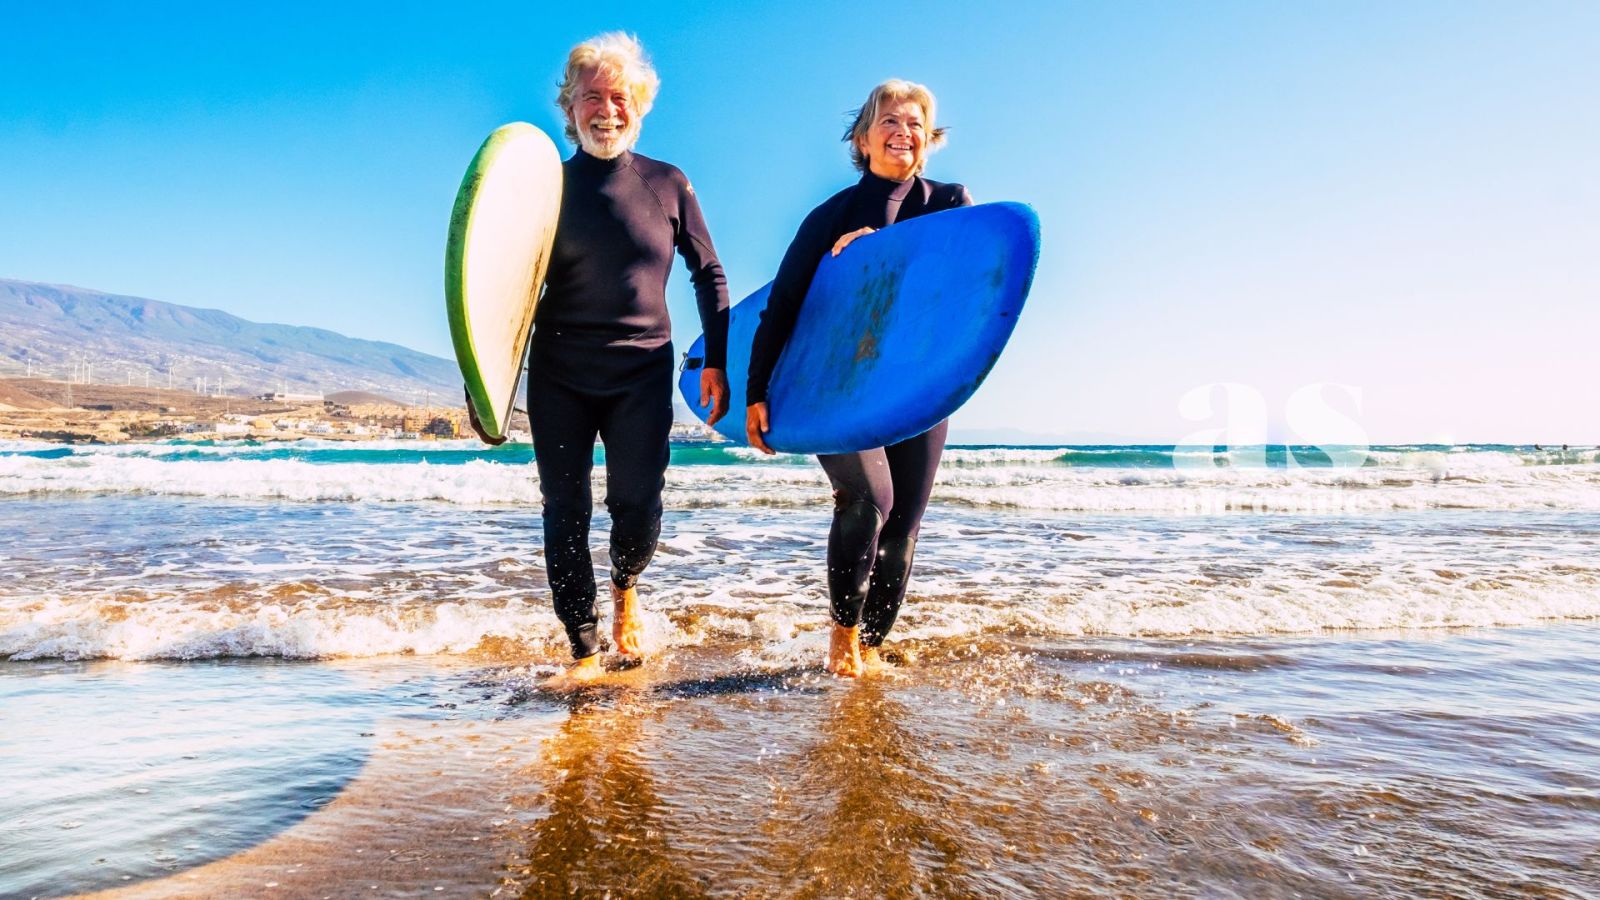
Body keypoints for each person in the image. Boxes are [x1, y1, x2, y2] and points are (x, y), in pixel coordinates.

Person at [471, 33, 730, 685]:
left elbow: (709, 274)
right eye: (592, 97)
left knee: (638, 506)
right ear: (571, 107)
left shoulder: (668, 184)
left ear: (639, 104)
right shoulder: (548, 190)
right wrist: (484, 386)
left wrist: (720, 362)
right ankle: (584, 650)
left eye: (619, 97)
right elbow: (502, 289)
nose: (606, 110)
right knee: (565, 512)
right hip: (561, 371)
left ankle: (625, 585)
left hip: (641, 374)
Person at [744, 79, 972, 678]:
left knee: (904, 524)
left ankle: (871, 649)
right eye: (889, 121)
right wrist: (757, 393)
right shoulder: (831, 217)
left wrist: (890, 256)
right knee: (870, 497)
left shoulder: (949, 203)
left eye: (916, 123)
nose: (904, 132)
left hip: (916, 384)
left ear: (930, 138)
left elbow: (965, 292)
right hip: (837, 384)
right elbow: (786, 305)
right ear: (863, 138)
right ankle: (843, 641)